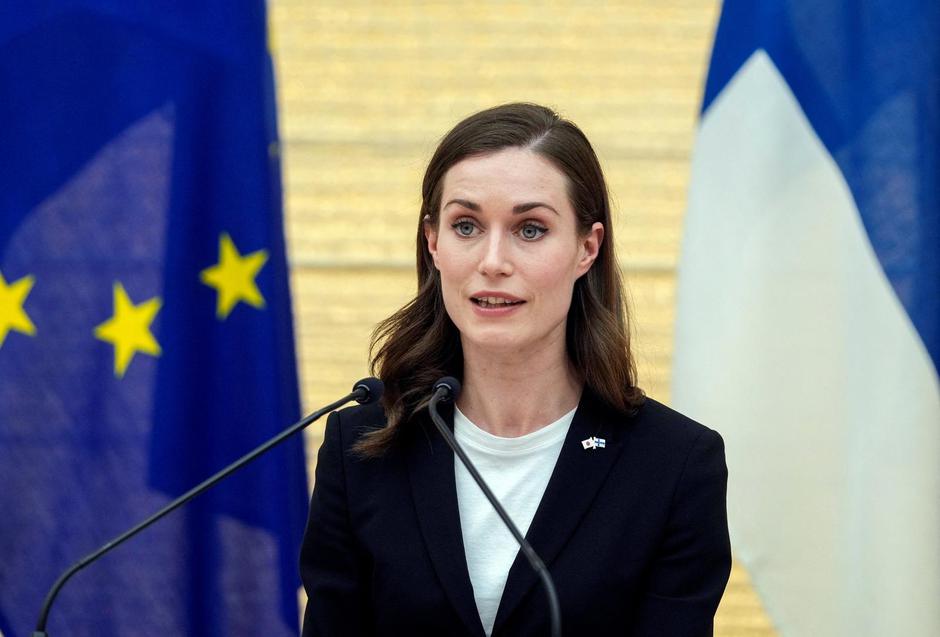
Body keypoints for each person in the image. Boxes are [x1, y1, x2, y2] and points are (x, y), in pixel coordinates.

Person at [299, 103, 731, 636]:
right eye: (466, 226)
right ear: (433, 242)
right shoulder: (360, 444)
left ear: (586, 248)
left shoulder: (675, 464)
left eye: (530, 230)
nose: (493, 261)